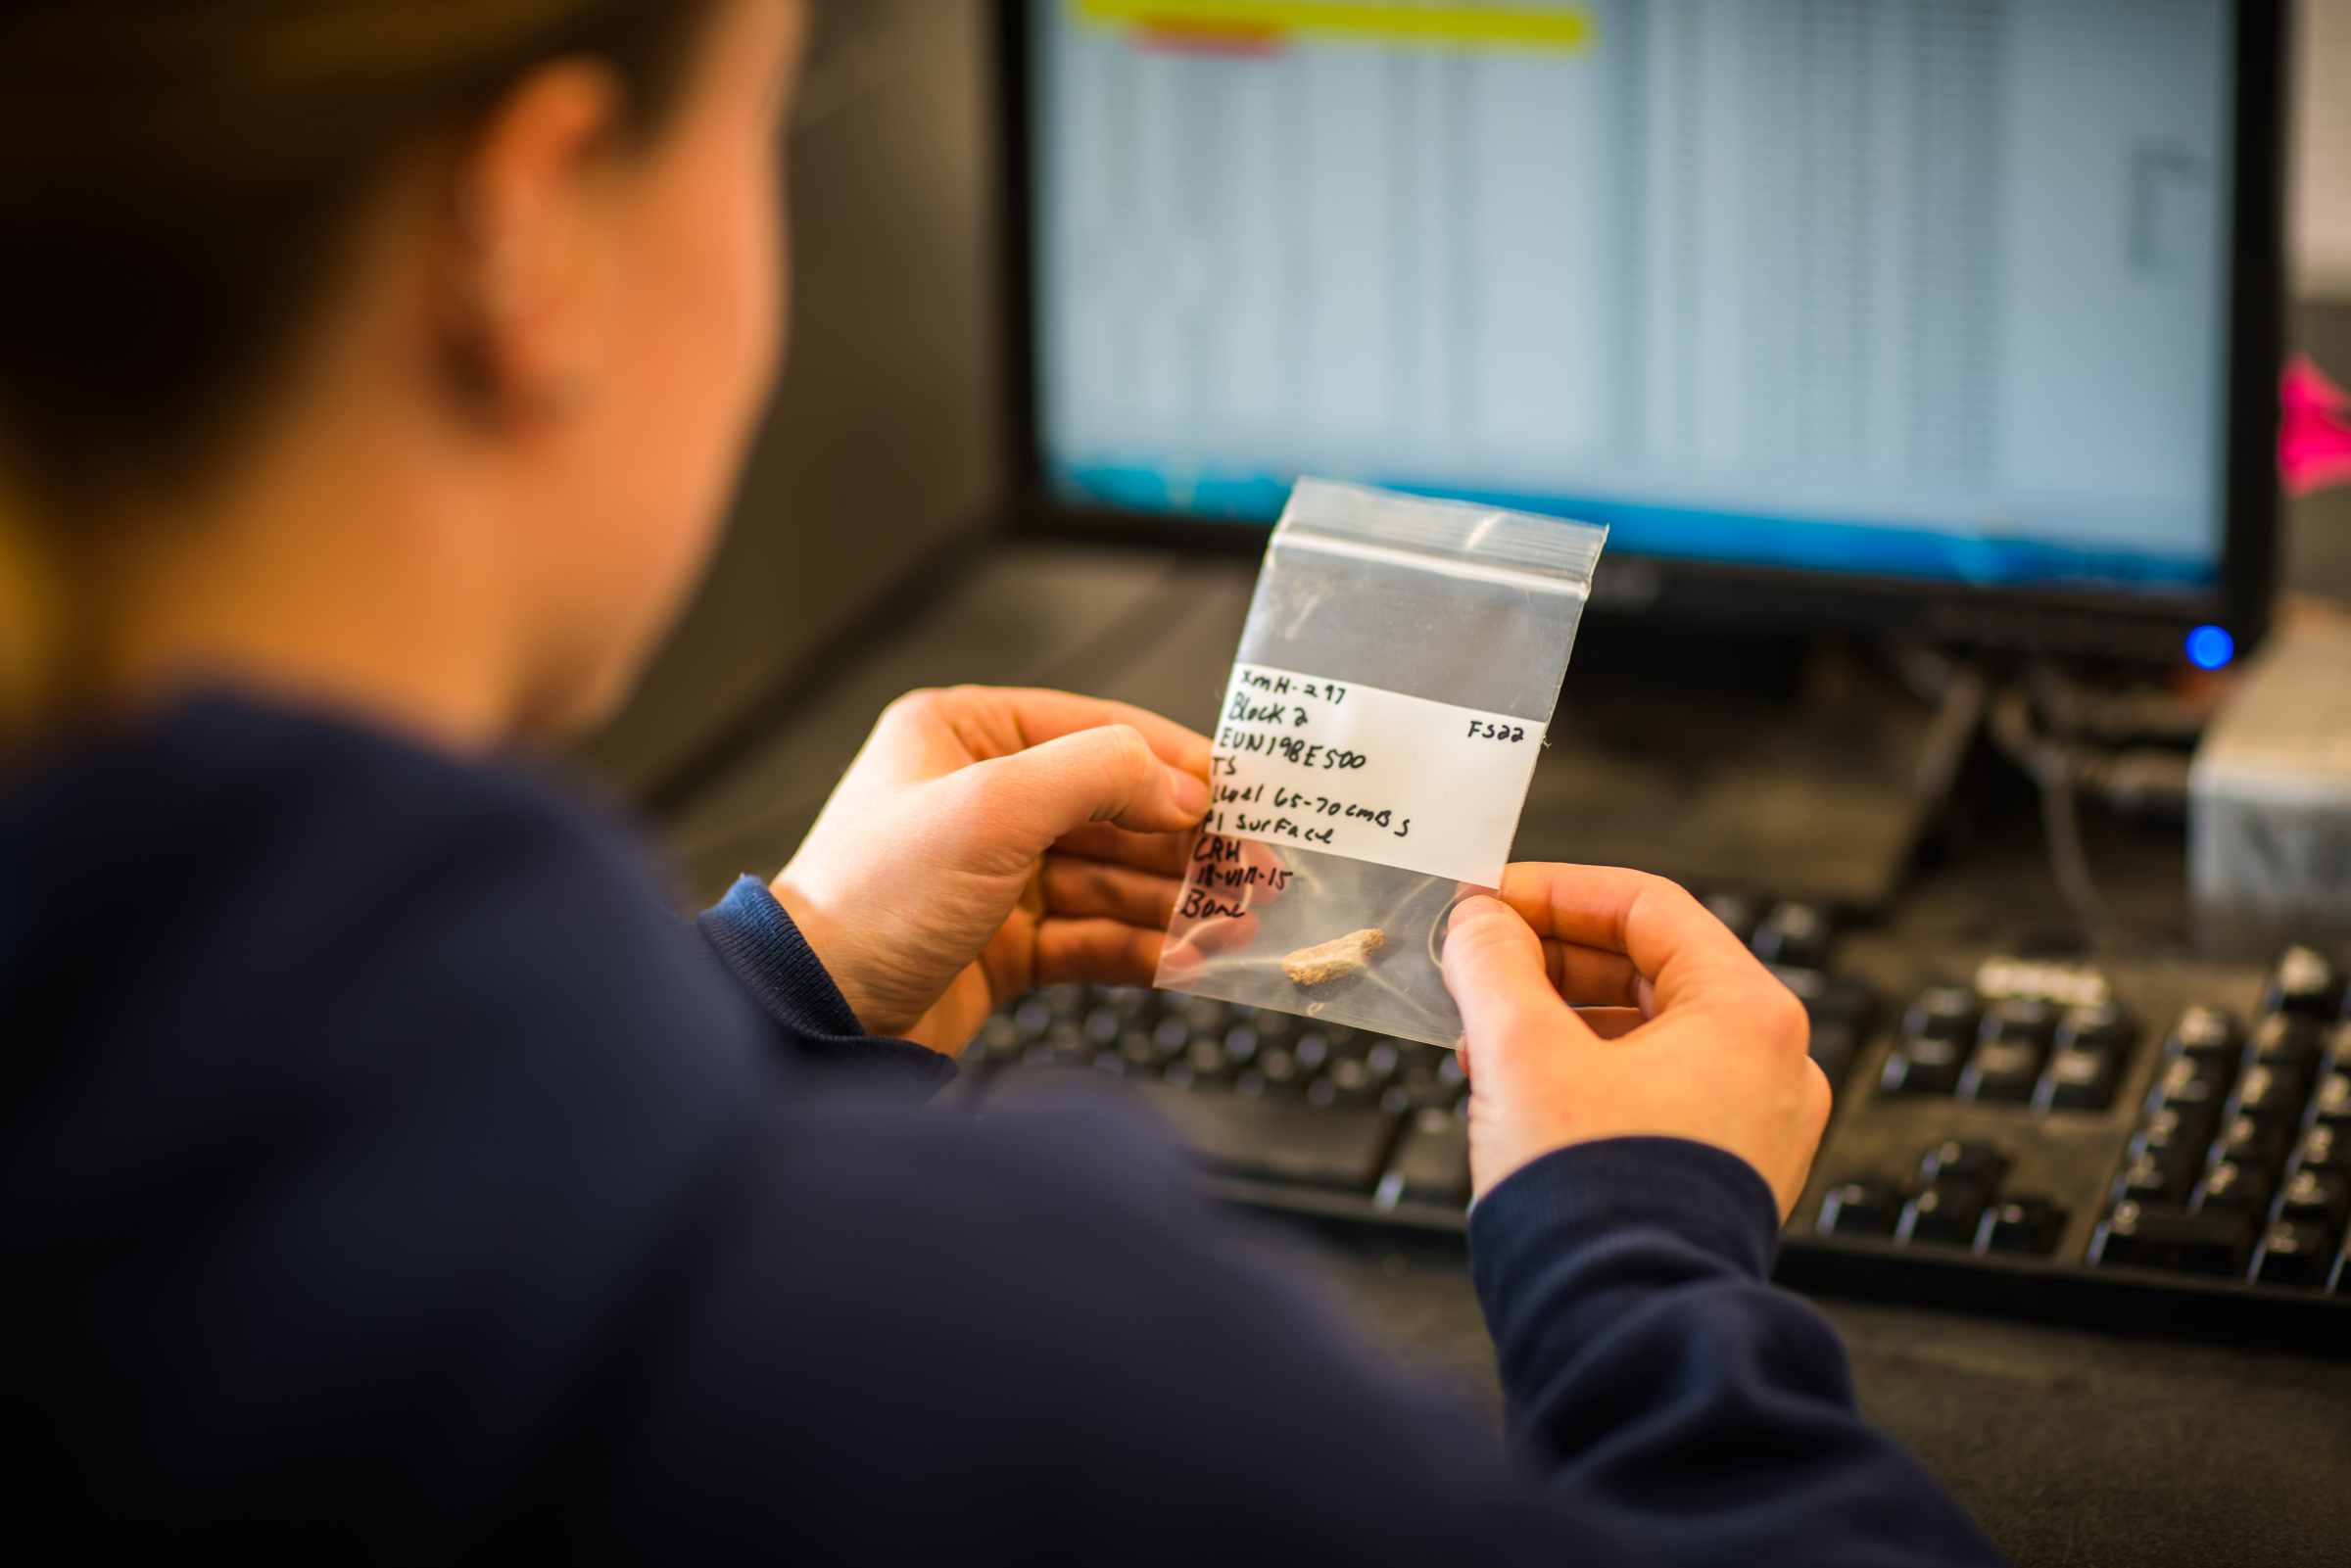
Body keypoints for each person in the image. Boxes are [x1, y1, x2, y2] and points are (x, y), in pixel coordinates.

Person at [0, 1, 2004, 1562]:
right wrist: (1642, 1258)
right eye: (759, 133)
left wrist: (775, 992)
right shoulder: (968, 1372)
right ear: (527, 228)